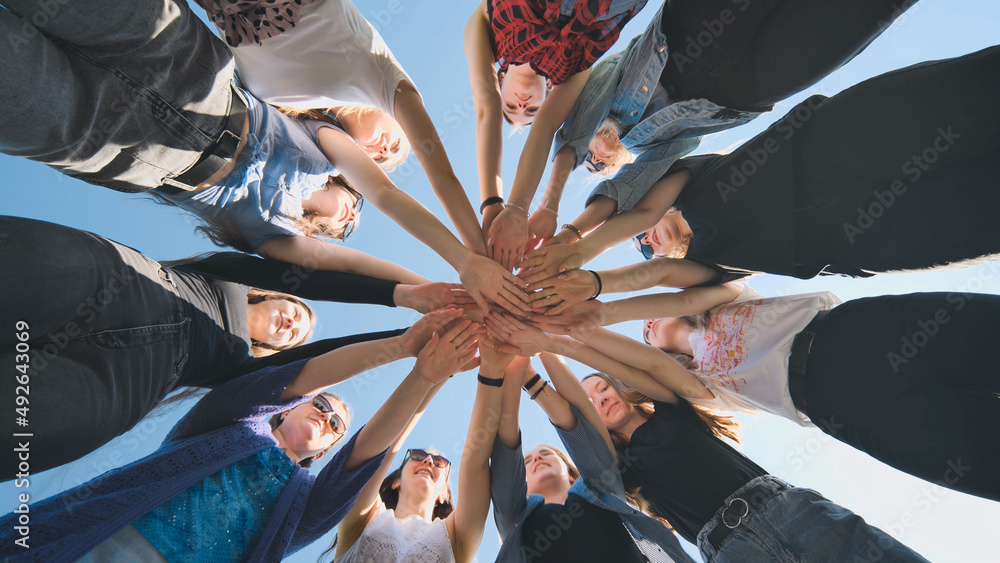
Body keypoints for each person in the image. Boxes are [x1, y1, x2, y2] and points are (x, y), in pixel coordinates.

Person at [0, 216, 470, 479]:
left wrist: (406, 342)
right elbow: (323, 275)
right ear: (275, 293)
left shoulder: (242, 369)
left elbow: (317, 363)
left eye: (295, 334)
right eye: (297, 311)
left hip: (126, 383)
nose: (293, 324)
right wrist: (403, 294)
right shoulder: (229, 274)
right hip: (122, 283)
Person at [0, 310, 482, 561]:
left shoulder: (302, 506)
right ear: (285, 411)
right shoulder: (225, 426)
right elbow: (294, 379)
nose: (326, 420)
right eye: (320, 406)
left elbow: (365, 455)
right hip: (88, 543)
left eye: (335, 426)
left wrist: (426, 377)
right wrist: (401, 346)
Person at [520, 44, 1000, 288]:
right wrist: (593, 284)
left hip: (828, 143)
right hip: (867, 240)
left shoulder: (688, 181)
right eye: (647, 250)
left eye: (638, 238)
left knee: (971, 95)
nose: (646, 241)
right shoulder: (713, 266)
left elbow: (637, 211)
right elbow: (658, 278)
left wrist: (573, 241)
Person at [520, 0, 918, 254]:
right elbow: (621, 192)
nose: (596, 155)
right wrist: (572, 235)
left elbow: (569, 139)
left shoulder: (601, 86)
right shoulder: (663, 146)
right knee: (862, 14)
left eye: (587, 154)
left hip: (683, 33)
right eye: (599, 165)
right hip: (746, 89)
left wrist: (549, 206)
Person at [196, 0, 488, 253]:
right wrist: (479, 251)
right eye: (397, 143)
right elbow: (443, 178)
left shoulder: (291, 115)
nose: (384, 149)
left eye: (379, 159)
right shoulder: (384, 78)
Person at [579, 373, 929, 562]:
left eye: (603, 387)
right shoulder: (625, 472)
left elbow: (643, 366)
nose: (602, 398)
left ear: (620, 386)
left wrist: (569, 336)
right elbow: (571, 425)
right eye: (590, 403)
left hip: (788, 512)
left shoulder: (672, 411)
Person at [464, 0, 648, 270]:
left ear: (500, 81)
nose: (523, 104)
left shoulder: (491, 39)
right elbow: (547, 124)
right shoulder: (570, 68)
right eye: (531, 110)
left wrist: (493, 204)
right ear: (549, 95)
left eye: (512, 106)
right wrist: (525, 209)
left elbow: (486, 108)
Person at [490, 354, 693, 562]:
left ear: (570, 474)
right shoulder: (515, 522)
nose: (537, 459)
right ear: (521, 486)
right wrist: (511, 381)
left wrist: (528, 376)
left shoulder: (603, 493)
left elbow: (579, 433)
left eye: (546, 453)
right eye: (526, 462)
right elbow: (505, 461)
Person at [333, 336, 514, 562]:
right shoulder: (362, 521)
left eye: (439, 462)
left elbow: (474, 462)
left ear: (443, 495)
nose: (428, 461)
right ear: (396, 481)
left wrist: (491, 372)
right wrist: (440, 374)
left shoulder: (454, 539)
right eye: (418, 456)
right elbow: (386, 447)